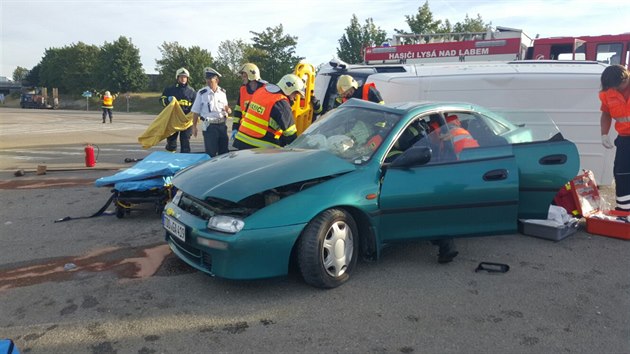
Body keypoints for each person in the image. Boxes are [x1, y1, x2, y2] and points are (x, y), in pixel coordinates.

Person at [233, 74, 304, 150]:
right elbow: (290, 133)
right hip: (261, 147)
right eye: (295, 94)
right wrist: (296, 149)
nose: (295, 98)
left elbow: (247, 111)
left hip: (241, 140)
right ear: (289, 89)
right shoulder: (282, 103)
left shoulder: (261, 91)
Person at [599, 64, 630, 212]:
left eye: (618, 86)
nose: (615, 90)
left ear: (625, 79)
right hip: (624, 138)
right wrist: (604, 133)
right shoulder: (608, 92)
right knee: (621, 173)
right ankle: (624, 210)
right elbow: (606, 113)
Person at [191, 67, 231, 157]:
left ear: (217, 80)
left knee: (224, 152)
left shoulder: (222, 92)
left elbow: (226, 107)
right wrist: (194, 126)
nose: (208, 81)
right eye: (207, 79)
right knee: (211, 153)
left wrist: (228, 109)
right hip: (210, 127)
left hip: (222, 125)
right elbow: (196, 111)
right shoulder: (202, 93)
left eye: (210, 79)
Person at [160, 67, 196, 153]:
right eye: (181, 77)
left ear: (187, 78)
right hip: (173, 120)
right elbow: (161, 101)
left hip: (186, 121)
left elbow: (196, 105)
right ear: (177, 78)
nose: (183, 79)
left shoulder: (192, 91)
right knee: (171, 143)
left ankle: (184, 161)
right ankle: (170, 159)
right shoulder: (169, 89)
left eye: (185, 77)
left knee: (185, 142)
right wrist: (167, 100)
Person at [232, 63, 266, 139]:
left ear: (252, 75)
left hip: (261, 133)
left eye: (244, 76)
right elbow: (238, 110)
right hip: (244, 130)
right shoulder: (243, 90)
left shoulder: (265, 89)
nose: (242, 78)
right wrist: (235, 127)